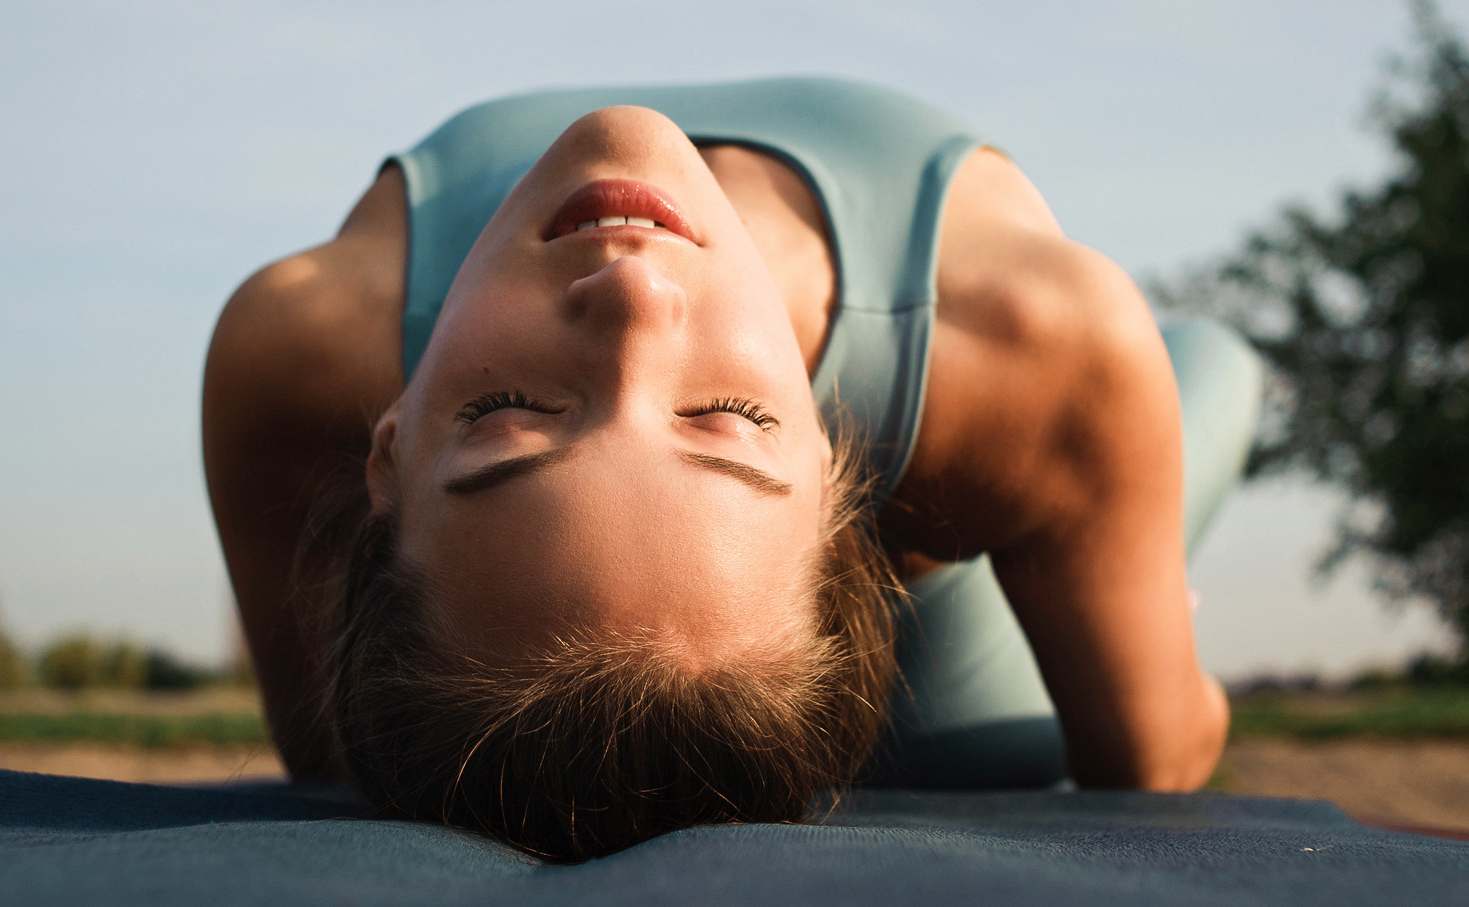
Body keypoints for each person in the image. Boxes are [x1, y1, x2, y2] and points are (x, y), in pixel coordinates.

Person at [201, 78, 1257, 861]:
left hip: (855, 552)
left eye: (506, 412)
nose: (632, 301)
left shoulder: (300, 346)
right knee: (1208, 369)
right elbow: (1157, 762)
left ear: (384, 450)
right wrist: (1151, 608)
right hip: (936, 509)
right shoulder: (1042, 347)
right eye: (727, 413)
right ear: (841, 472)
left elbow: (339, 748)